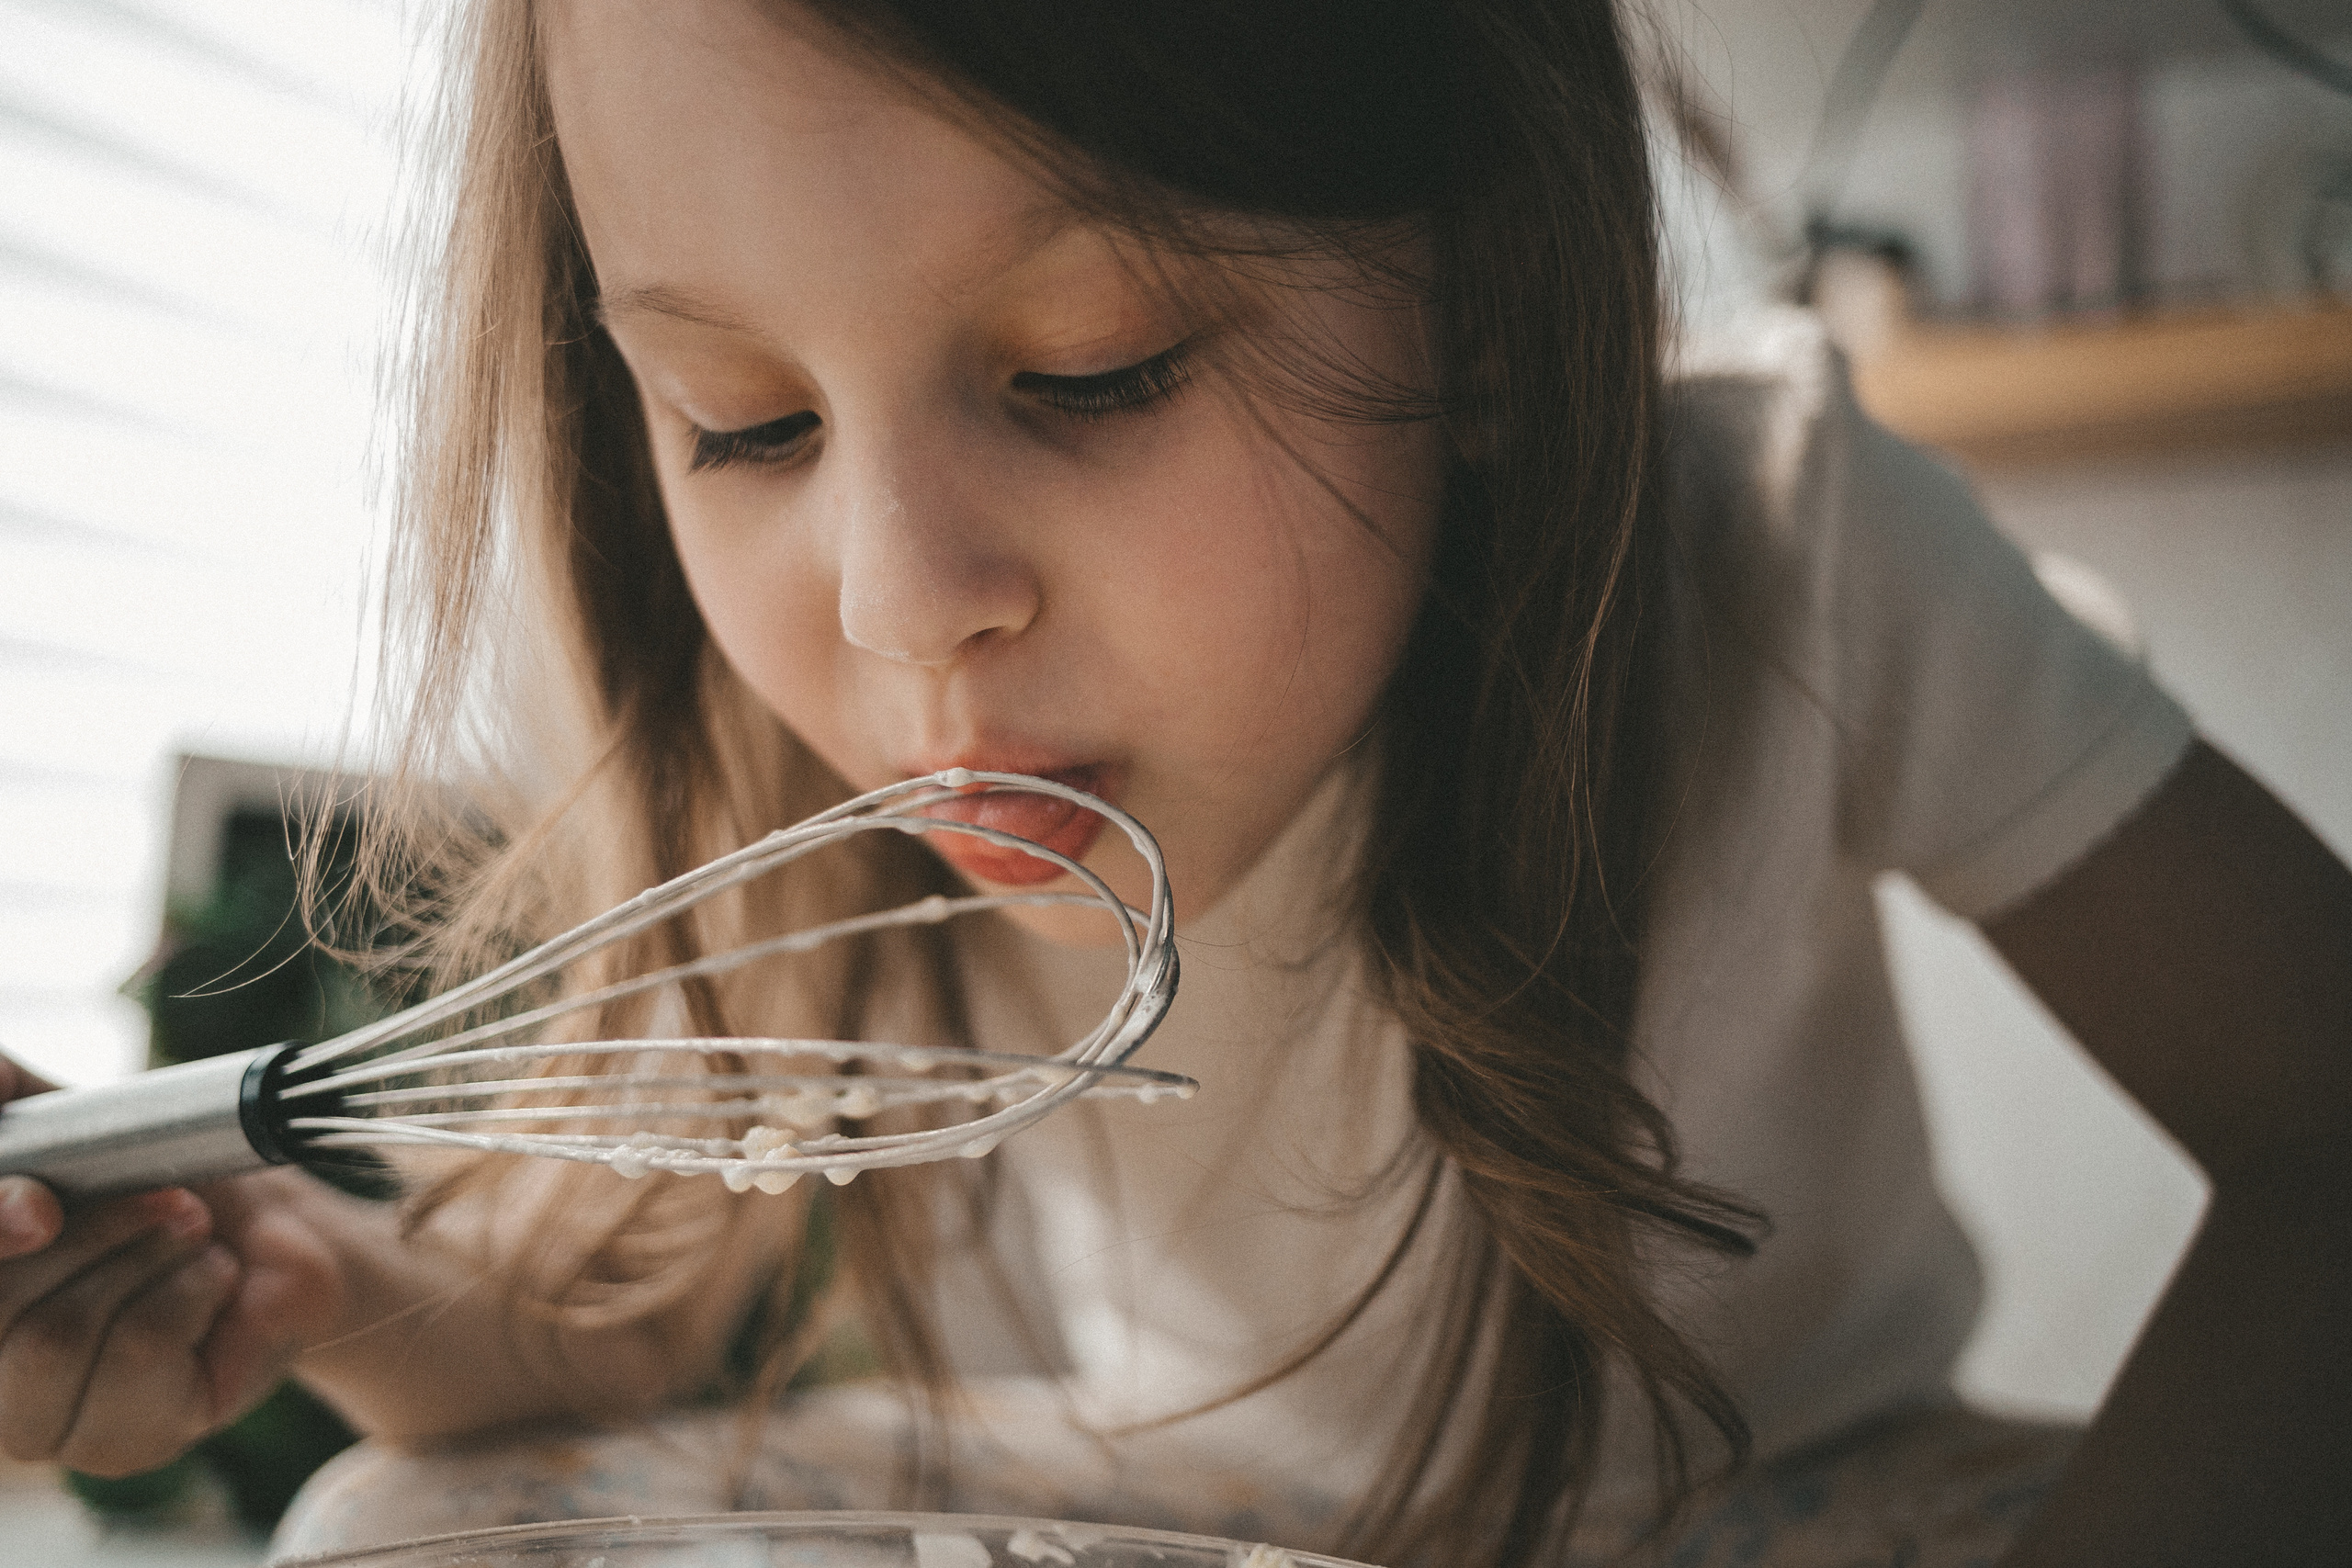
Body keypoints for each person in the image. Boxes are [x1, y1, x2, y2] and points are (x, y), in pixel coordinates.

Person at [3, 3, 2347, 1564]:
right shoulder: (785, 754)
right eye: (747, 419)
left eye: (1094, 367)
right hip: (1168, 1487)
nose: (903, 604)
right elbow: (609, 1338)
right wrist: (271, 1270)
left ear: (1480, 305)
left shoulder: (1781, 553)